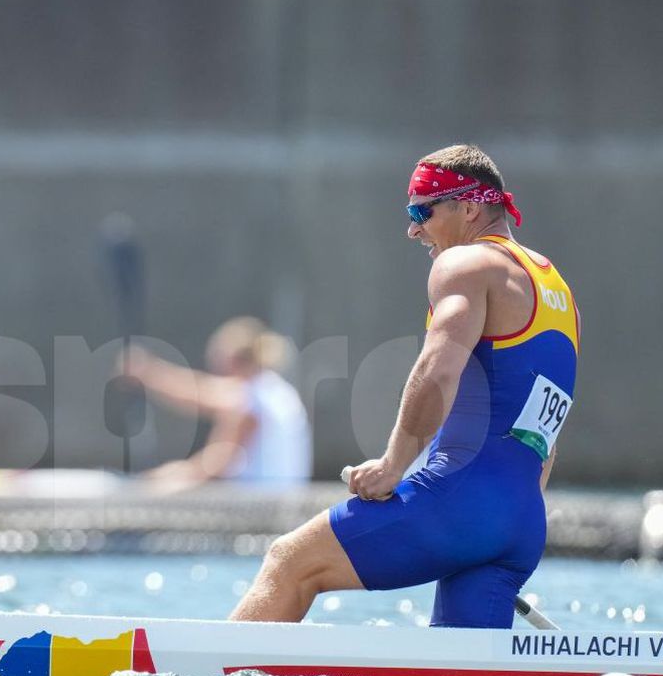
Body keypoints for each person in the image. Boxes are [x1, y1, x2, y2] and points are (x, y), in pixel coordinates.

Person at [231, 144, 579, 628]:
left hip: (460, 501)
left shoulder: (466, 264)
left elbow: (437, 369)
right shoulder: (553, 288)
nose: (413, 228)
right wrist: (504, 514)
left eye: (423, 210)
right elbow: (543, 426)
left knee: (289, 562)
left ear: (470, 208)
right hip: (522, 519)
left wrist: (393, 466)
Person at [120, 317, 312, 491]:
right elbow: (199, 392)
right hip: (279, 504)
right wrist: (148, 374)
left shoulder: (250, 399)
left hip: (263, 512)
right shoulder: (272, 390)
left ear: (234, 360)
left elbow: (217, 460)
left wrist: (163, 481)